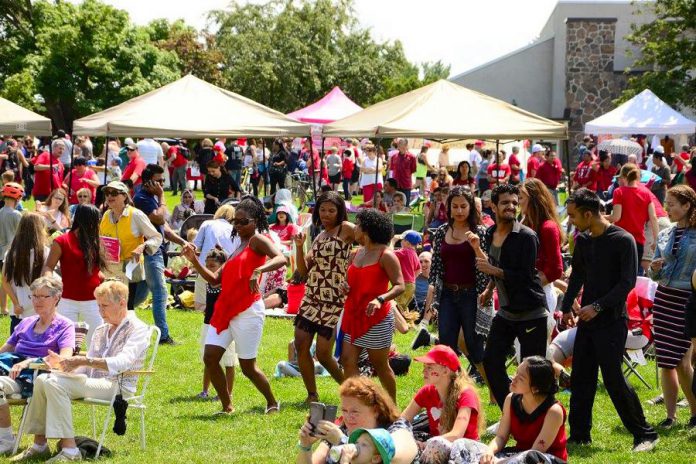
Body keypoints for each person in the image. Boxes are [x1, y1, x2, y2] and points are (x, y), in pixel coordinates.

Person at [11, 280, 150, 463]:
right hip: (94, 382)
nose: (100, 311)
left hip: (118, 387)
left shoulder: (138, 328)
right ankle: (41, 444)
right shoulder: (101, 329)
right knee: (45, 379)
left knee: (51, 382)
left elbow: (122, 362)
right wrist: (63, 365)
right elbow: (87, 366)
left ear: (122, 303)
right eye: (98, 306)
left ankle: (68, 450)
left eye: (105, 306)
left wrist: (82, 360)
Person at [562, 188, 658, 452]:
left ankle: (645, 434)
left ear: (589, 214)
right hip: (587, 321)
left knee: (613, 377)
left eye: (573, 216)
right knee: (581, 376)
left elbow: (626, 283)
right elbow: (578, 276)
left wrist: (598, 306)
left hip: (612, 320)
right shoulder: (583, 240)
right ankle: (580, 434)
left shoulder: (623, 240)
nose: (570, 220)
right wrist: (566, 306)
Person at [181, 196, 285, 415]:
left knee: (248, 367)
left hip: (248, 310)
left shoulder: (258, 240)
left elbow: (280, 258)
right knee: (210, 357)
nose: (237, 226)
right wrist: (194, 260)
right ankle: (227, 406)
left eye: (243, 221)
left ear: (256, 220)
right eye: (235, 222)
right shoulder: (238, 246)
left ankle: (272, 402)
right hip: (225, 309)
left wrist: (258, 271)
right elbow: (214, 279)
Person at [477, 183, 548, 409]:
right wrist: (489, 289)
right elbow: (497, 266)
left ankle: (535, 414)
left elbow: (526, 276)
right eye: (505, 203)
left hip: (531, 312)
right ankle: (510, 410)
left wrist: (493, 272)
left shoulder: (526, 237)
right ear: (493, 206)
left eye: (515, 203)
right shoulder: (489, 233)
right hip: (506, 313)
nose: (511, 207)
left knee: (532, 371)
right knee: (491, 362)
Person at [0, 276, 75, 455]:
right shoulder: (25, 323)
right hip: (12, 372)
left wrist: (31, 361)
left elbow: (64, 359)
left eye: (43, 296)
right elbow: (4, 351)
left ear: (56, 298)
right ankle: (7, 438)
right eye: (34, 296)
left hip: (36, 377)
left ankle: (5, 440)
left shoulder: (65, 326)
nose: (37, 301)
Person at [293, 191, 356, 403]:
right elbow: (302, 271)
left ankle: (352, 392)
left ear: (340, 212)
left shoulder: (345, 229)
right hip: (312, 297)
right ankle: (312, 394)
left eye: (331, 210)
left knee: (323, 354)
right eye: (323, 210)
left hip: (333, 300)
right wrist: (299, 247)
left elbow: (369, 243)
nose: (327, 214)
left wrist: (355, 269)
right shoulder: (319, 236)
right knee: (300, 344)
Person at [340, 209, 404, 400]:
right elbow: (351, 282)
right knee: (347, 361)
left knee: (380, 366)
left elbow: (400, 285)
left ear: (367, 229)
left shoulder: (386, 255)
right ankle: (357, 405)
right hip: (353, 315)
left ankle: (392, 408)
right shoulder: (355, 254)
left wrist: (380, 299)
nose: (354, 228)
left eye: (357, 225)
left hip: (377, 318)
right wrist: (345, 287)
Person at [428, 187, 490, 382]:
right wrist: (432, 300)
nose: (459, 211)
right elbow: (435, 268)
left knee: (474, 346)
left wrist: (477, 248)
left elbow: (488, 266)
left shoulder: (480, 232)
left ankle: (492, 388)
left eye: (463, 206)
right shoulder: (441, 232)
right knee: (446, 345)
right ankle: (453, 387)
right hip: (447, 294)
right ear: (449, 208)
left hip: (471, 295)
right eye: (455, 206)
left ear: (471, 207)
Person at [648, 185, 696, 428]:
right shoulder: (666, 234)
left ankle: (695, 413)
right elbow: (653, 275)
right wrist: (653, 269)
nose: (667, 208)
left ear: (687, 206)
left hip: (687, 300)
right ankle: (670, 416)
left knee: (683, 361)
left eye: (673, 204)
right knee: (666, 359)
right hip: (664, 298)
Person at [297, 376, 418, 464]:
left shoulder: (397, 428)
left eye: (354, 411)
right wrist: (305, 445)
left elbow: (396, 459)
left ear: (376, 410)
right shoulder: (342, 430)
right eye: (344, 410)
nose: (348, 417)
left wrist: (342, 441)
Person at [133, 165, 188, 345]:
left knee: (139, 295)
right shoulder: (142, 198)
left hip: (152, 251)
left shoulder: (150, 197)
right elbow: (160, 218)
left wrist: (183, 242)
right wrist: (162, 195)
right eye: (159, 180)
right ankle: (163, 336)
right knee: (160, 292)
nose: (162, 184)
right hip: (150, 251)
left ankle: (120, 323)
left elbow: (164, 229)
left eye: (163, 181)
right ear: (147, 181)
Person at [476, 357, 567, 464]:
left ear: (535, 388)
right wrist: (489, 452)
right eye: (516, 372)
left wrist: (500, 462)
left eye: (521, 378)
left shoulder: (554, 411)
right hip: (519, 454)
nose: (514, 378)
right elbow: (501, 436)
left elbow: (535, 453)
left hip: (544, 458)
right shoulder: (511, 399)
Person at [44, 205, 105, 346]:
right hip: (67, 300)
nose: (99, 223)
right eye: (97, 220)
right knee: (65, 342)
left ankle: (95, 368)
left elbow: (96, 271)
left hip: (93, 300)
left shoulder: (96, 241)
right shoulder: (61, 241)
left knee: (96, 342)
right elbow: (48, 266)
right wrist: (48, 281)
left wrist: (107, 280)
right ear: (88, 220)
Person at [99, 181, 162, 312]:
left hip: (130, 268)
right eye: (107, 193)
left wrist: (142, 247)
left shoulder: (136, 215)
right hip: (110, 268)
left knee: (126, 308)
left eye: (114, 193)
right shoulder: (105, 215)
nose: (110, 196)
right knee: (108, 307)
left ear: (125, 196)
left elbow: (156, 237)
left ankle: (127, 332)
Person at [402, 345, 482, 446]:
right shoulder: (426, 391)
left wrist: (425, 444)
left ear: (445, 371)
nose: (424, 371)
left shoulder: (466, 394)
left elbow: (457, 435)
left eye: (430, 368)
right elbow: (403, 420)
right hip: (436, 445)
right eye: (424, 367)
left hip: (466, 450)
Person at [519, 179, 564, 335]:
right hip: (524, 293)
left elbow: (556, 270)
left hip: (540, 294)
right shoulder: (524, 224)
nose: (519, 202)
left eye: (521, 197)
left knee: (538, 354)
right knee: (522, 352)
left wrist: (531, 286)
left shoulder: (548, 227)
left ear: (533, 199)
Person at [196, 248, 238, 403]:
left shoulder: (226, 282)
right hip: (208, 325)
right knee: (208, 359)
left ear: (222, 266)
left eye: (212, 266)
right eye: (207, 266)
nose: (208, 269)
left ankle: (227, 393)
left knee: (228, 361)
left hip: (225, 326)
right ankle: (205, 390)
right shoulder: (207, 283)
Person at [3, 214, 51, 334]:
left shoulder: (11, 253)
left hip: (19, 311)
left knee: (15, 349)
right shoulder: (45, 252)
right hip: (40, 310)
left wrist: (15, 304)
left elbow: (5, 282)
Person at [606, 164, 659, 273]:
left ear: (624, 177)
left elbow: (616, 217)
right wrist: (656, 240)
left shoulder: (618, 191)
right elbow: (653, 218)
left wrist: (600, 217)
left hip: (620, 239)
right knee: (633, 275)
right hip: (638, 241)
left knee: (617, 273)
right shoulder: (646, 193)